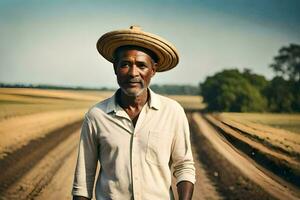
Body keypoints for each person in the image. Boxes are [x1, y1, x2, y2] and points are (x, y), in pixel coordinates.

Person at [72, 25, 195, 200]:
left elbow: (184, 166)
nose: (133, 73)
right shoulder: (97, 116)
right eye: (125, 65)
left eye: (141, 65)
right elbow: (83, 180)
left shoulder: (172, 112)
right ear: (115, 68)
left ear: (153, 70)